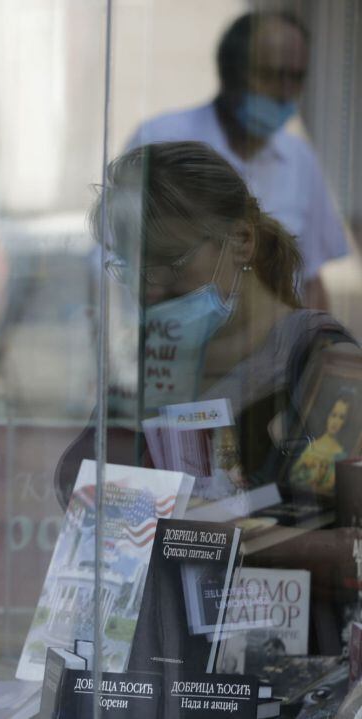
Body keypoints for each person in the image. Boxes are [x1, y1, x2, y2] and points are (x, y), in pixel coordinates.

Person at [59, 140, 361, 656]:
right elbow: (82, 481)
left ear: (240, 242)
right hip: (161, 667)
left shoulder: (319, 358)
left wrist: (213, 531)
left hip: (284, 673)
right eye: (131, 268)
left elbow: (354, 553)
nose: (149, 291)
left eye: (168, 263)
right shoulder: (152, 360)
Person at [128, 11, 347, 310]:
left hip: (274, 346)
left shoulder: (300, 158)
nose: (285, 92)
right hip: (177, 343)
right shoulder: (162, 137)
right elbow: (118, 256)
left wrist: (320, 346)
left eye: (295, 77)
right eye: (269, 74)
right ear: (231, 72)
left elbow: (310, 279)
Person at [289, 388, 355, 497]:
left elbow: (329, 487)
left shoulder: (341, 455)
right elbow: (293, 476)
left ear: (345, 422)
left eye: (341, 417)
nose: (335, 422)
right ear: (327, 416)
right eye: (333, 415)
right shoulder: (311, 445)